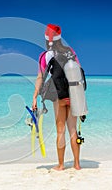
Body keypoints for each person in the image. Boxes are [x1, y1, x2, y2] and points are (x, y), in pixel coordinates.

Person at [32, 24, 82, 170]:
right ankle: (77, 164)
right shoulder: (70, 52)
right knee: (73, 130)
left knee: (61, 131)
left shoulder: (46, 56)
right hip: (74, 95)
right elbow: (78, 72)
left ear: (47, 40)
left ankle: (61, 165)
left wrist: (35, 97)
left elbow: (40, 77)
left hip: (59, 97)